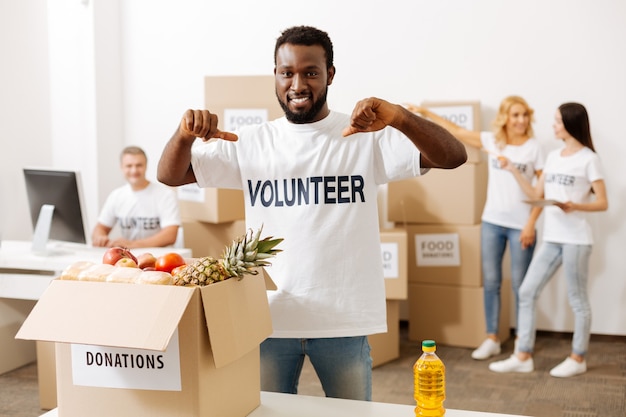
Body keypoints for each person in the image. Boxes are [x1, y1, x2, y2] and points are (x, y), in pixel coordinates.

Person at [157, 25, 467, 401]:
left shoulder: (363, 136)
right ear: (275, 74)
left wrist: (400, 117)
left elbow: (453, 156)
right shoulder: (251, 142)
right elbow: (169, 176)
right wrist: (184, 134)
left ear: (330, 75)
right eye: (287, 72)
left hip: (343, 320)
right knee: (265, 413)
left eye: (311, 72)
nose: (297, 83)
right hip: (269, 317)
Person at [407, 96, 545, 360]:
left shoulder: (534, 148)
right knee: (491, 282)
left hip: (521, 227)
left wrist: (531, 224)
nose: (521, 120)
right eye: (515, 115)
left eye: (524, 115)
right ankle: (492, 337)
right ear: (505, 118)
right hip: (492, 222)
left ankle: (522, 344)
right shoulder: (493, 141)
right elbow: (455, 132)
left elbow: (542, 191)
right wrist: (425, 112)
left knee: (521, 287)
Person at [489, 102, 608, 377]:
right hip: (552, 239)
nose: (552, 126)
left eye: (557, 121)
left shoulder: (589, 159)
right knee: (527, 291)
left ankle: (578, 358)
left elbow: (602, 202)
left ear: (569, 123)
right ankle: (523, 355)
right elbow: (535, 192)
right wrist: (514, 171)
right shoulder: (553, 157)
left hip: (577, 240)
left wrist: (574, 205)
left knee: (577, 299)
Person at [92, 145, 181, 248]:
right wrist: (100, 237)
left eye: (139, 165)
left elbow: (170, 235)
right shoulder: (116, 196)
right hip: (127, 258)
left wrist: (133, 245)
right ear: (121, 167)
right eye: (129, 166)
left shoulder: (165, 195)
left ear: (146, 166)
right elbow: (100, 228)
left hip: (158, 259)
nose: (134, 171)